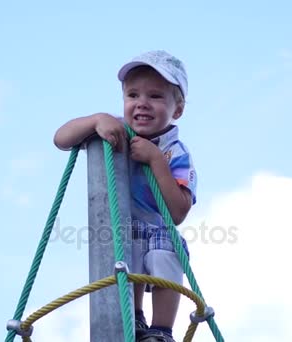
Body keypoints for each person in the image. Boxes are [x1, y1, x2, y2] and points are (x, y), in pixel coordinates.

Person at [53, 50, 197, 342]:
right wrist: (96, 120)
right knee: (122, 245)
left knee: (167, 248)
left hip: (159, 228)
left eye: (155, 96)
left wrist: (156, 160)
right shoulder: (115, 130)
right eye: (133, 95)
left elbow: (178, 212)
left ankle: (161, 330)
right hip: (122, 227)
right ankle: (135, 317)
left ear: (177, 109)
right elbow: (61, 138)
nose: (142, 103)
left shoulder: (176, 152)